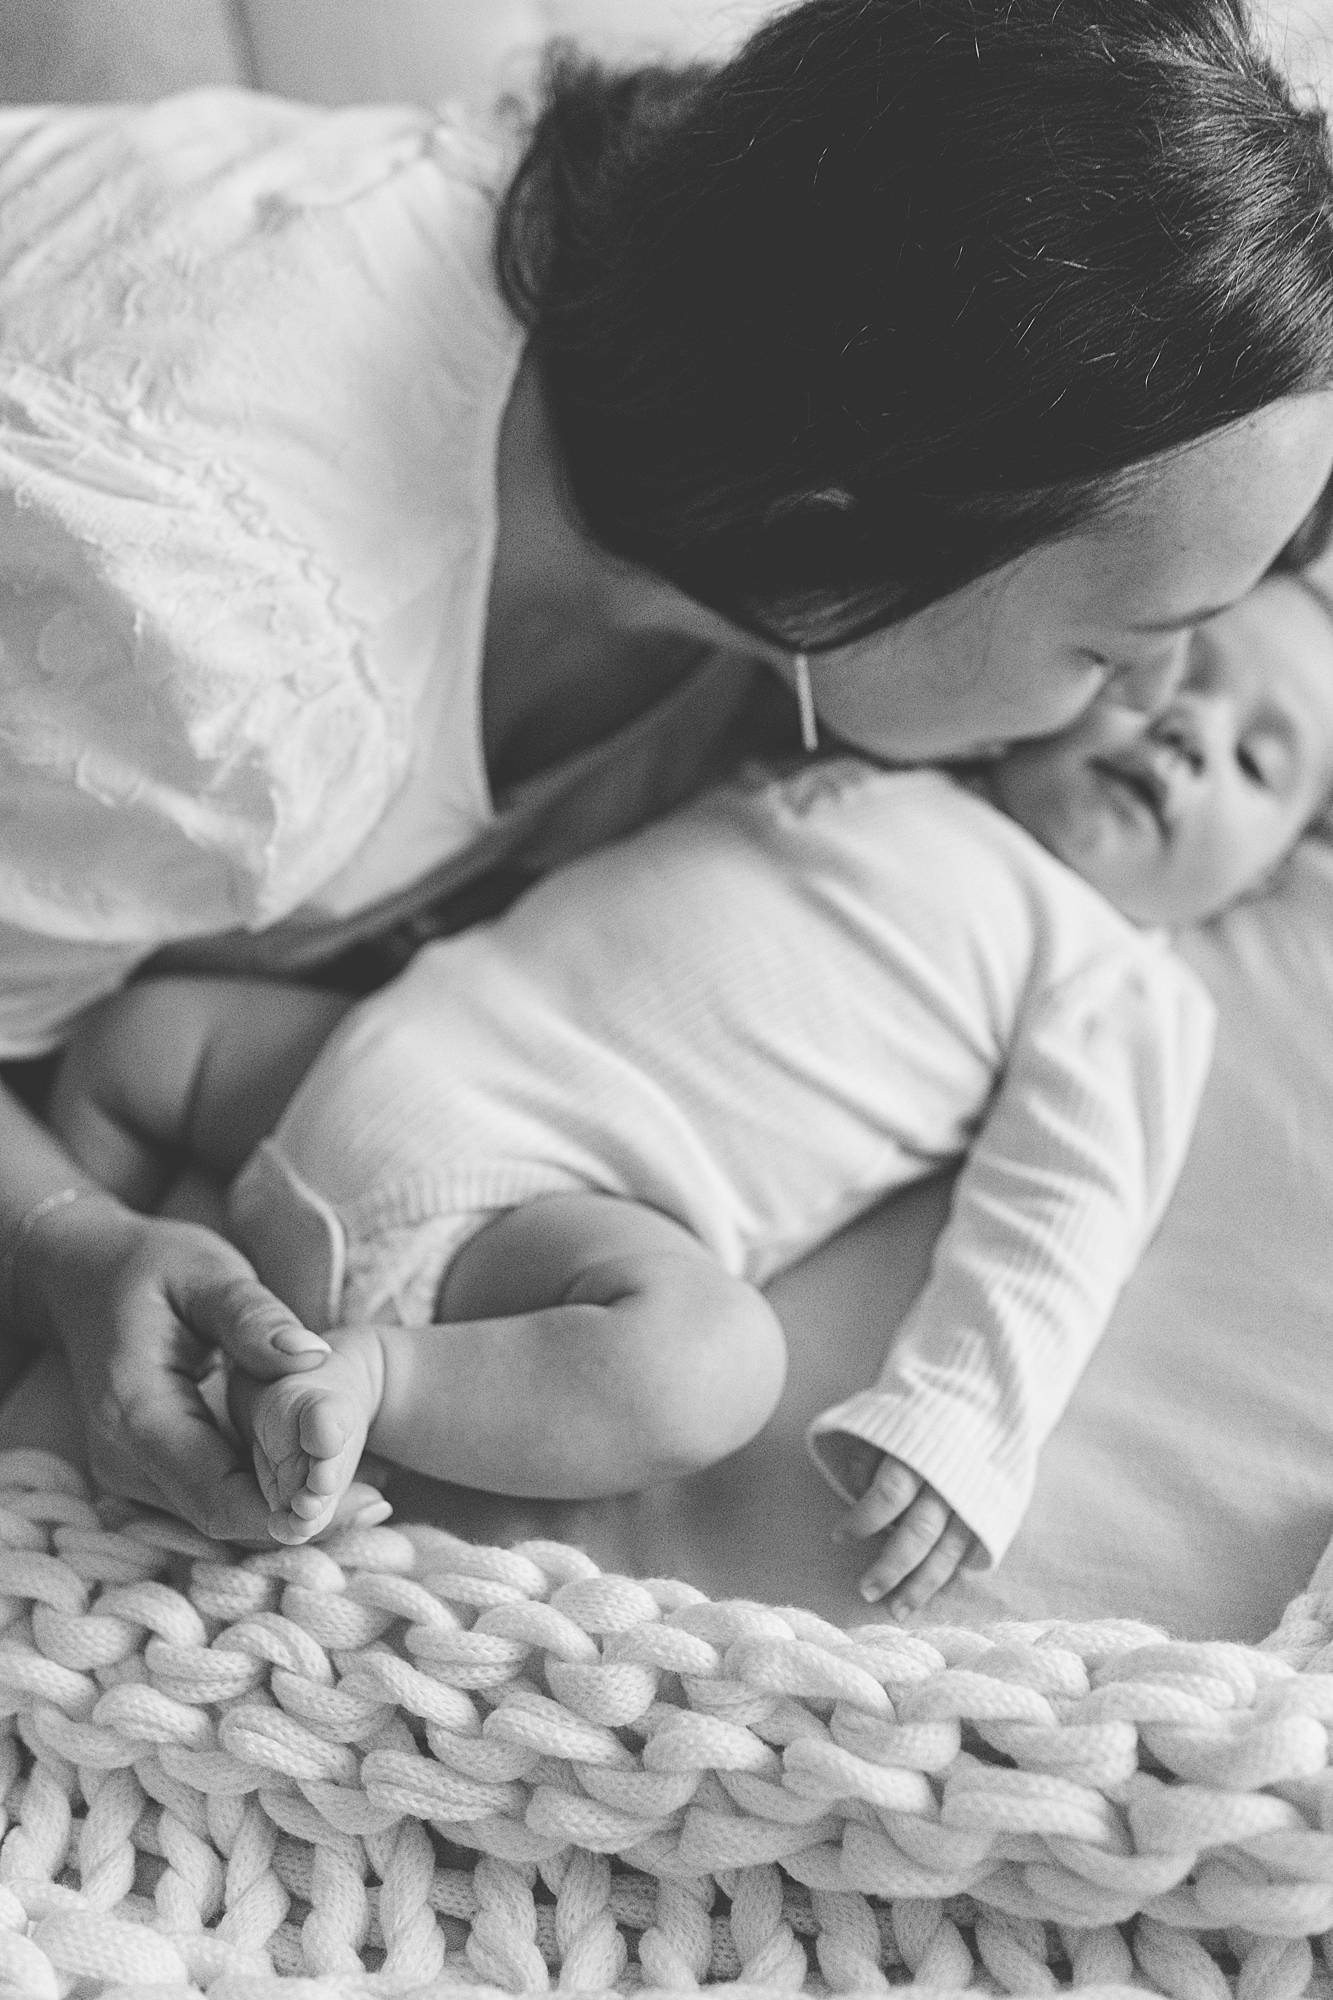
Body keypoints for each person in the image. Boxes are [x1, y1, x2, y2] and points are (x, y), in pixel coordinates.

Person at [3, 0, 1333, 1547]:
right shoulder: (214, 678)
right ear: (826, 539)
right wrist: (67, 1237)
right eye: (1116, 651)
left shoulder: (792, 251)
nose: (1158, 702)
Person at [44, 573, 1333, 1612]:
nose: (1187, 732)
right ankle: (59, 1349)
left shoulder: (1117, 974)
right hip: (386, 1050)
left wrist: (962, 1424)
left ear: (1273, 868)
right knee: (129, 1044)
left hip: (549, 1218)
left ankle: (381, 1377)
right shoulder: (892, 746)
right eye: (1178, 674)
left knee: (710, 1368)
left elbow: (1070, 1211)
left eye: (1258, 762)